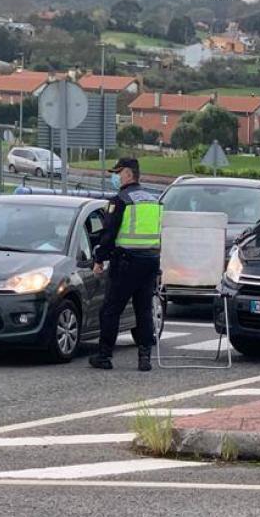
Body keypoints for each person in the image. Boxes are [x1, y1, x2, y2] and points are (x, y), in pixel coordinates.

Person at [88, 157, 162, 371]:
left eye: (118, 173)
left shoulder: (120, 200)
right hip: (149, 262)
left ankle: (104, 356)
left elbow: (109, 234)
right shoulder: (153, 200)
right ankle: (144, 358)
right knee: (144, 310)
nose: (116, 177)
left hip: (126, 263)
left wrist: (99, 259)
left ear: (128, 174)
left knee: (110, 310)